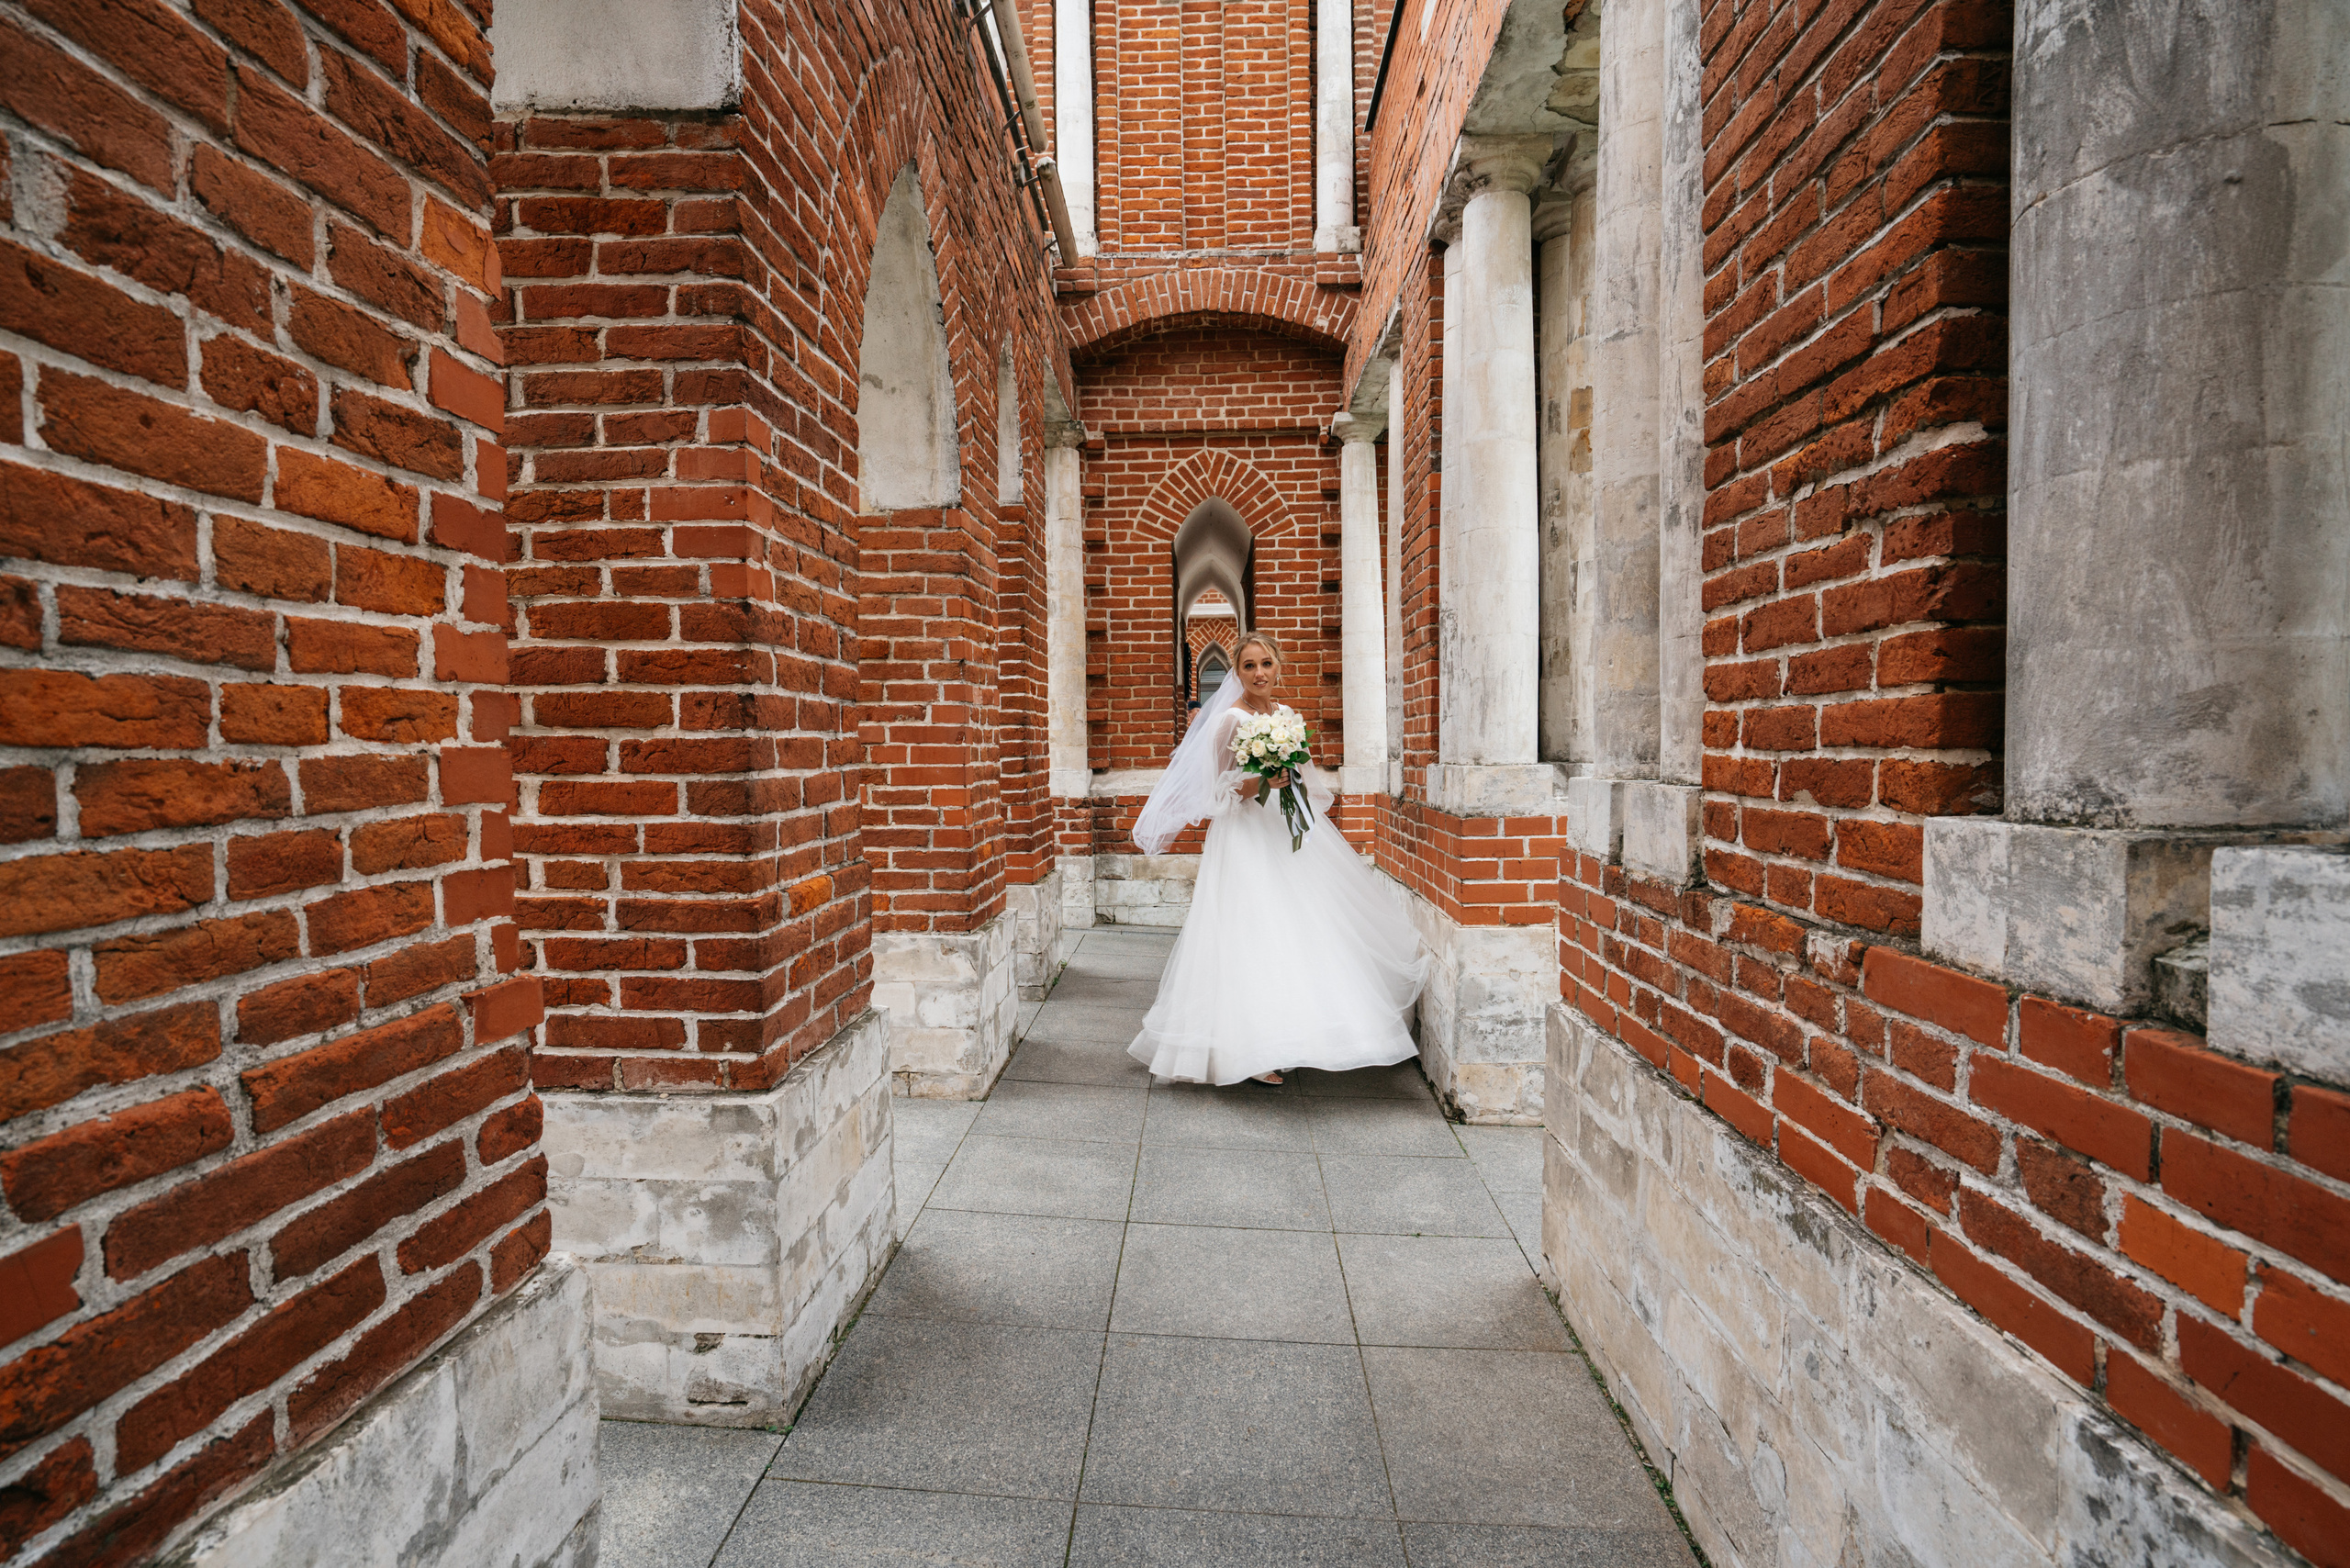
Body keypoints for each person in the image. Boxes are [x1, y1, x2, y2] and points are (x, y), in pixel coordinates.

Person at [1127, 631, 1428, 1086]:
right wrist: (1260, 779)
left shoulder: (1288, 718)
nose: (1259, 673)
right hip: (1245, 835)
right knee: (1252, 930)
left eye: (1265, 663)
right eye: (1248, 666)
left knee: (1304, 927)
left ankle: (1299, 1033)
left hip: (1289, 832)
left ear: (1278, 666)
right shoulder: (1228, 721)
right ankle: (1252, 1048)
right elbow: (1218, 791)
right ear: (1237, 673)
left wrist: (1288, 774)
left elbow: (1306, 780)